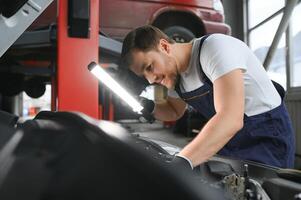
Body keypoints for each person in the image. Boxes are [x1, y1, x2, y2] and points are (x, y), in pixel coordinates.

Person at [120, 25, 295, 169]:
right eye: (144, 75)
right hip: (228, 139)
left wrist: (183, 160)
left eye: (149, 67)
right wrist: (148, 107)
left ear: (165, 46)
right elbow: (174, 112)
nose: (151, 79)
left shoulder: (214, 48)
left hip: (265, 135)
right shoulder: (174, 76)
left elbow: (231, 118)